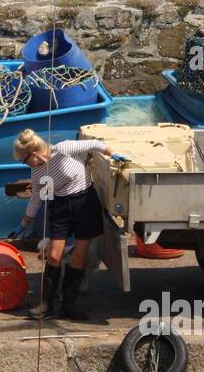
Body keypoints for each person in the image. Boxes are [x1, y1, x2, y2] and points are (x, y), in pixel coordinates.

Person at [13, 129, 127, 320]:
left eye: (24, 160)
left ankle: (69, 304)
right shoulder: (37, 170)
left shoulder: (63, 149)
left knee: (79, 256)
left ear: (33, 154)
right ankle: (46, 304)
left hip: (84, 202)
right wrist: (24, 221)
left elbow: (94, 144)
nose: (24, 164)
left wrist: (112, 153)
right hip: (60, 207)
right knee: (54, 256)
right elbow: (37, 197)